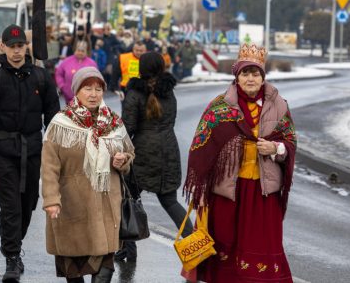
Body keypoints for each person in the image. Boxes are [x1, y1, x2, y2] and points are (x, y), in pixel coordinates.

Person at [182, 43, 297, 282]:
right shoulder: (219, 106)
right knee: (226, 248)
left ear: (263, 77)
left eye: (256, 73)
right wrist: (202, 189)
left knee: (261, 247)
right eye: (245, 73)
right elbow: (201, 145)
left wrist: (275, 148)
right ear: (237, 76)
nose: (251, 78)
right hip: (228, 193)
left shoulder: (279, 105)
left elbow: (290, 143)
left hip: (262, 194)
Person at [0, 24, 61, 281]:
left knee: (28, 205)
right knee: (10, 207)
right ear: (2, 47)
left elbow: (53, 116)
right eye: (12, 46)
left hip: (32, 150)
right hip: (2, 151)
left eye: (20, 46)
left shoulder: (42, 78)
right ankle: (12, 257)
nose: (17, 51)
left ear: (26, 47)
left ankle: (11, 240)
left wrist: (58, 149)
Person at [41, 67, 135, 283]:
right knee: (73, 269)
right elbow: (49, 166)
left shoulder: (114, 122)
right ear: (76, 91)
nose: (94, 94)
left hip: (106, 206)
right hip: (73, 206)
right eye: (87, 88)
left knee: (104, 267)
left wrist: (123, 160)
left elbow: (130, 152)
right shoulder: (60, 123)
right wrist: (51, 199)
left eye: (98, 89)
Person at [117, 52, 192, 263]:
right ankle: (196, 247)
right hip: (168, 150)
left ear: (141, 68)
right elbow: (171, 120)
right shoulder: (169, 93)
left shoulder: (134, 93)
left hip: (141, 153)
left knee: (128, 200)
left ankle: (127, 251)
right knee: (170, 201)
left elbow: (127, 127)